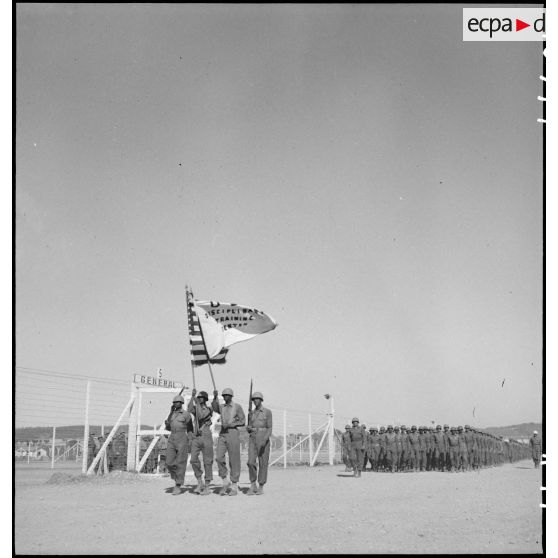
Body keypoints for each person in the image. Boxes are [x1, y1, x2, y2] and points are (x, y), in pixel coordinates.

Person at [211, 387, 246, 496]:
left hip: (233, 433)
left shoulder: (237, 407)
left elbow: (243, 421)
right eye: (223, 396)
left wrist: (232, 424)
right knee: (219, 457)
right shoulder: (221, 407)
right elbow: (214, 407)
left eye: (227, 396)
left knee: (234, 459)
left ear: (231, 396)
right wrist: (215, 397)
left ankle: (234, 485)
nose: (225, 397)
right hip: (223, 433)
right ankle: (225, 481)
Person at [165, 394, 193, 495]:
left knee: (181, 461)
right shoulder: (171, 414)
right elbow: (168, 427)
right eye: (174, 402)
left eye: (177, 402)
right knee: (168, 462)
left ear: (181, 403)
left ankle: (178, 485)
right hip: (172, 436)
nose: (175, 404)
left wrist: (190, 441)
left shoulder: (186, 414)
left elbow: (190, 428)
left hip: (182, 437)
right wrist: (170, 414)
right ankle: (176, 476)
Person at [188, 389, 214, 495]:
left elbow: (200, 416)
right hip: (196, 436)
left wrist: (197, 403)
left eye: (201, 397)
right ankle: (200, 482)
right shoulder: (196, 406)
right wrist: (192, 397)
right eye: (198, 398)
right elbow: (190, 408)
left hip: (206, 435)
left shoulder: (208, 409)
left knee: (207, 461)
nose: (199, 399)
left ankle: (207, 486)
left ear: (205, 399)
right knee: (193, 460)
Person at [246, 391, 273, 495]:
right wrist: (248, 428)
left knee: (263, 463)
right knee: (250, 462)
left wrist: (265, 439)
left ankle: (261, 485)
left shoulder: (267, 412)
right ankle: (253, 484)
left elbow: (269, 428)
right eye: (254, 399)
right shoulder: (251, 413)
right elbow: (249, 428)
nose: (255, 401)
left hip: (263, 438)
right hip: (253, 437)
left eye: (257, 399)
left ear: (261, 400)